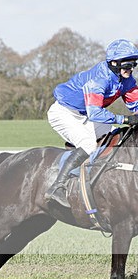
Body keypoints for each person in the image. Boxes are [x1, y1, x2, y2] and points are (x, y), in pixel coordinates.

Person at [46, 38, 138, 208]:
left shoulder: (127, 80)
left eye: (134, 63)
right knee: (88, 144)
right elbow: (95, 113)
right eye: (127, 64)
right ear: (114, 63)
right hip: (65, 113)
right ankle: (57, 186)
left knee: (116, 137)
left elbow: (136, 105)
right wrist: (124, 119)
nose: (131, 68)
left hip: (86, 115)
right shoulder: (98, 79)